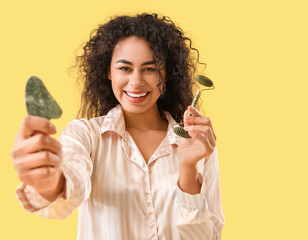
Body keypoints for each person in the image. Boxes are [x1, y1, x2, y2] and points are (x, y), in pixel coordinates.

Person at [11, 13, 225, 239]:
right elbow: (73, 180)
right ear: (108, 72)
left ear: (167, 73)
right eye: (125, 68)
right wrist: (50, 182)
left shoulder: (196, 144)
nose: (136, 81)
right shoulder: (86, 135)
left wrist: (188, 169)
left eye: (149, 69)